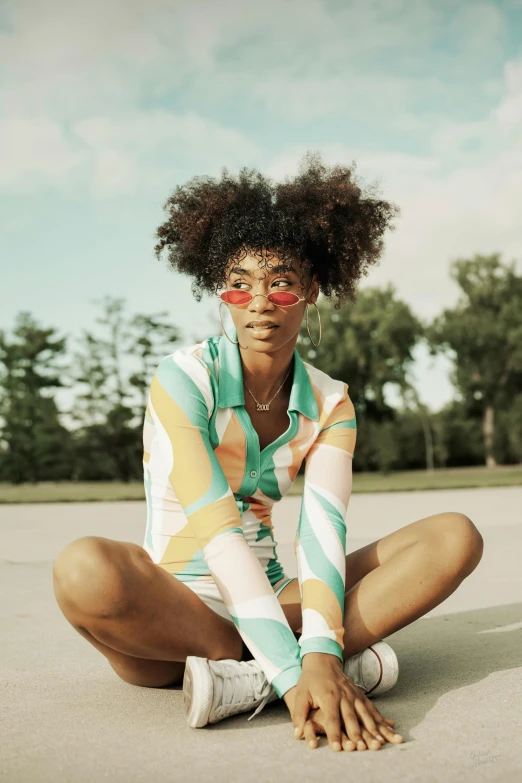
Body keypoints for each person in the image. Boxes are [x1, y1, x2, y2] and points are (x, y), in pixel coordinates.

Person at [52, 151, 484, 753]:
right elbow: (218, 531)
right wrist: (300, 665)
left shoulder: (331, 402)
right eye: (241, 284)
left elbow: (322, 533)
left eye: (280, 283)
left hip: (282, 600)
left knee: (454, 536)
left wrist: (320, 648)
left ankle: (251, 680)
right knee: (84, 571)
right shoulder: (183, 378)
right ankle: (290, 675)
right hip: (173, 613)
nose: (260, 301)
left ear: (309, 290)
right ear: (222, 292)